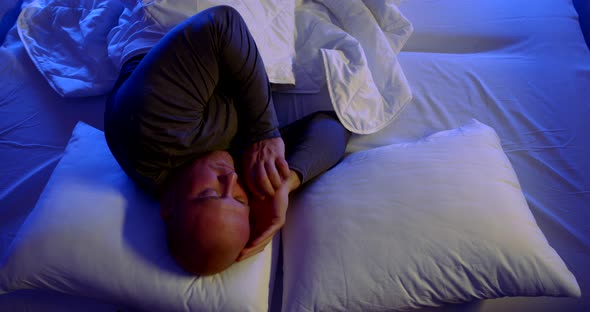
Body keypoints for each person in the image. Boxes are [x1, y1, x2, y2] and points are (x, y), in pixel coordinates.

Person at [104, 5, 350, 275]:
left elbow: (222, 22)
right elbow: (333, 126)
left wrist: (264, 133)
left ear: (168, 204)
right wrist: (286, 183)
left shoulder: (153, 127)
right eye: (239, 199)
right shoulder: (226, 172)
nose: (231, 180)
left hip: (170, 21)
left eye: (209, 193)